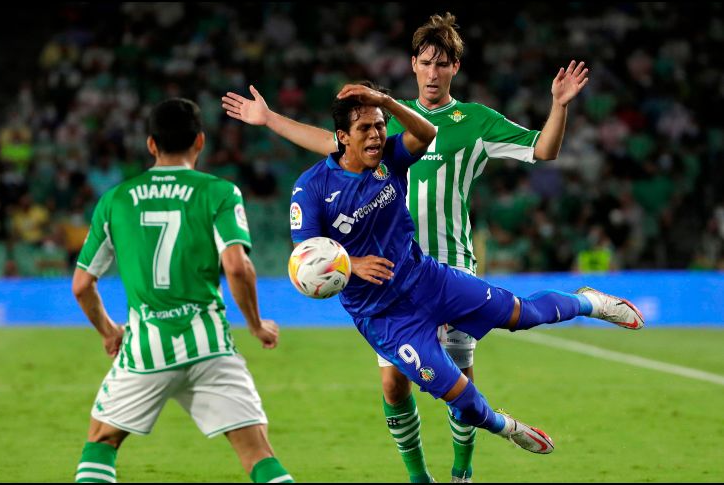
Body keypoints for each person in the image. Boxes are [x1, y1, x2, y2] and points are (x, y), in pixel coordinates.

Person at [221, 12, 589, 483]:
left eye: (443, 63)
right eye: (425, 62)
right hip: (384, 280)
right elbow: (330, 145)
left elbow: (543, 150)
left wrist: (558, 106)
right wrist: (269, 118)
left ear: (455, 66)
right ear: (413, 64)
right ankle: (419, 477)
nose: (433, 73)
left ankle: (462, 471)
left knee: (460, 382)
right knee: (395, 385)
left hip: (446, 265)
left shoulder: (472, 121)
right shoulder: (381, 132)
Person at [289, 81, 643, 478]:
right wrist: (351, 265)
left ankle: (590, 302)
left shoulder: (392, 156)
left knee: (521, 314)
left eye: (379, 126)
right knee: (463, 400)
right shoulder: (312, 188)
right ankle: (506, 428)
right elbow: (303, 259)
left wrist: (385, 102)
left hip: (429, 279)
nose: (375, 135)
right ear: (342, 138)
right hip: (387, 319)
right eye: (365, 129)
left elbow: (427, 133)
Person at [71, 98, 293, 484]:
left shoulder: (115, 200)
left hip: (145, 350)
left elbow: (82, 284)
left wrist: (109, 332)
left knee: (102, 440)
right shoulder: (219, 192)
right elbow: (237, 266)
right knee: (257, 454)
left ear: (151, 145)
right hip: (210, 346)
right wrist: (255, 325)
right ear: (200, 142)